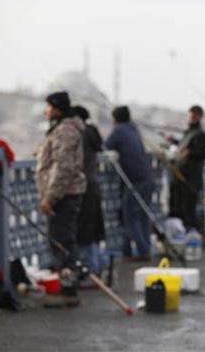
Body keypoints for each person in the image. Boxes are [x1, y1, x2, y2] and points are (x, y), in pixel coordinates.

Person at [35, 91, 86, 307]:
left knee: (62, 242)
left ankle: (68, 290)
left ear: (56, 108)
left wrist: (50, 198)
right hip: (66, 194)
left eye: (48, 106)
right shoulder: (63, 129)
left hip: (64, 195)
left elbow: (63, 167)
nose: (46, 111)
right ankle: (67, 287)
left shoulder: (65, 130)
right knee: (63, 240)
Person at [105, 106, 155, 261]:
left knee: (131, 216)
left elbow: (105, 145)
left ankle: (142, 252)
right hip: (147, 177)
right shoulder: (133, 129)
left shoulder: (119, 130)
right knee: (143, 216)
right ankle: (145, 248)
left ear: (115, 119)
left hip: (135, 180)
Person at [71, 105, 106, 277]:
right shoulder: (92, 132)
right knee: (92, 229)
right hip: (93, 185)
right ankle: (97, 266)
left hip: (81, 186)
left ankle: (89, 271)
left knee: (83, 230)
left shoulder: (79, 134)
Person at [169, 105, 205, 231]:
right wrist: (174, 142)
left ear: (200, 117)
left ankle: (192, 233)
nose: (191, 118)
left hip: (190, 178)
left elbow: (200, 154)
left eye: (193, 116)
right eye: (190, 116)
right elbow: (184, 146)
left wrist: (189, 152)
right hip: (180, 176)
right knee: (178, 206)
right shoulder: (189, 133)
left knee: (189, 209)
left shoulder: (200, 134)